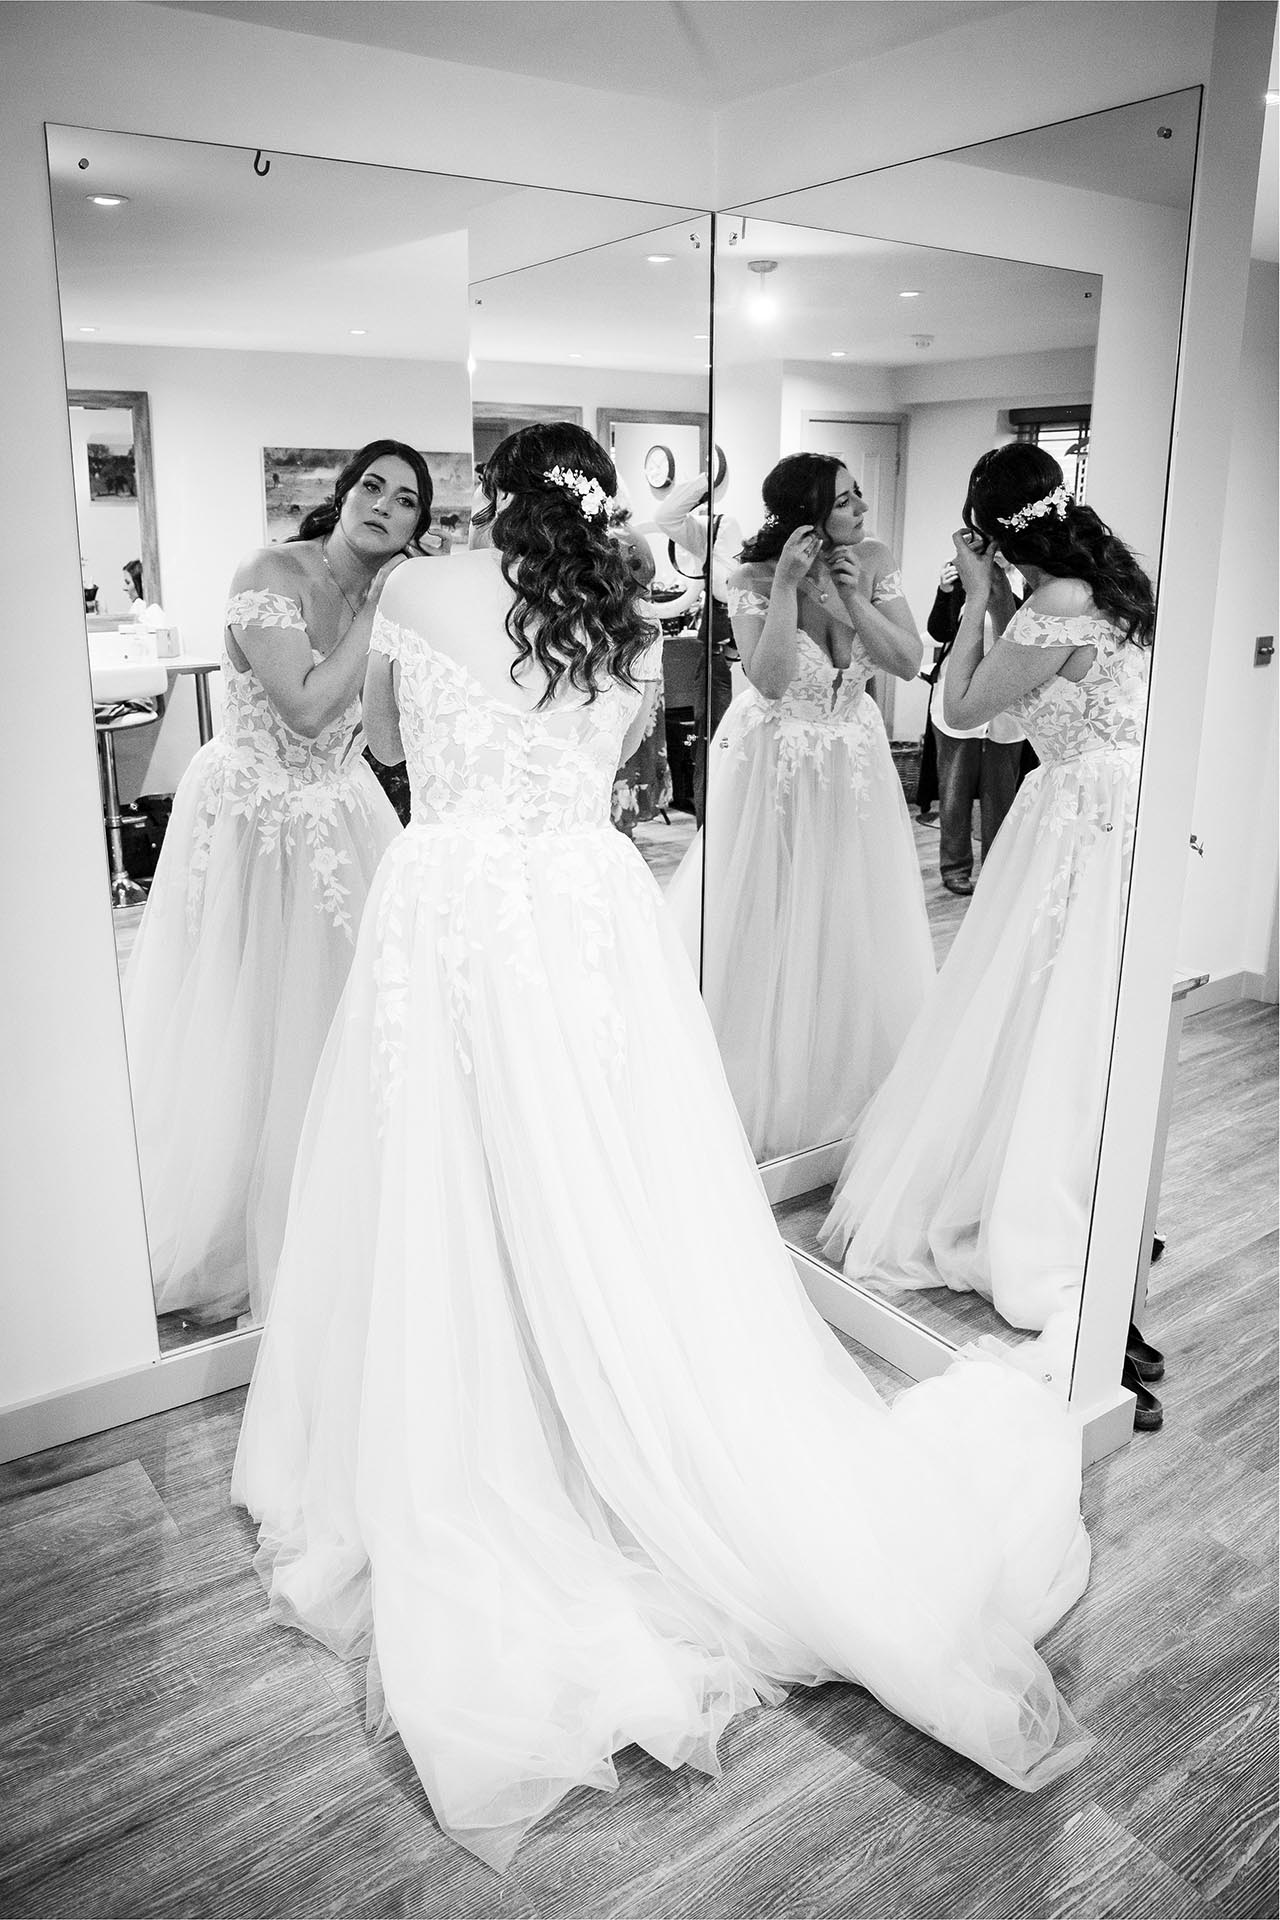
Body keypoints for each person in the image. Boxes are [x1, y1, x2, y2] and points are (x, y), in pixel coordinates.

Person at [233, 423, 1091, 1873]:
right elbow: (618, 756)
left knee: (452, 1182)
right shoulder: (622, 627)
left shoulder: (423, 591)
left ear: (493, 503)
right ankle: (605, 1409)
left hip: (452, 918)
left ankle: (499, 1421)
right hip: (585, 918)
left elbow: (383, 742)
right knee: (603, 1181)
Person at [823, 444, 1154, 1342]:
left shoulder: (1055, 605)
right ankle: (1086, 1186)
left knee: (1039, 1004)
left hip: (1077, 813)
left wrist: (975, 599)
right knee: (1081, 1012)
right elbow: (1018, 709)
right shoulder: (1110, 591)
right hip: (1128, 806)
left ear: (992, 527)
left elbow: (964, 713)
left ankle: (1036, 1201)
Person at [123, 439, 434, 1327]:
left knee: (352, 1014)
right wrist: (383, 613)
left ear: (418, 523)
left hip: (345, 814)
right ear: (344, 495)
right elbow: (301, 706)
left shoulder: (397, 597)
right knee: (247, 1017)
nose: (383, 503)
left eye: (405, 498)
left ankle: (348, 1213)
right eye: (371, 484)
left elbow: (382, 737)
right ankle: (237, 1222)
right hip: (253, 820)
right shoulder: (270, 572)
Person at [665, 453, 934, 1161]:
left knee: (850, 910)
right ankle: (761, 1076)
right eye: (845, 501)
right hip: (778, 757)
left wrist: (856, 603)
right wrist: (785, 586)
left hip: (855, 754)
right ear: (805, 513)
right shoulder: (751, 579)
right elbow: (771, 679)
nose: (862, 509)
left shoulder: (874, 560)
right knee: (772, 909)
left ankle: (845, 1075)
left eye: (857, 495)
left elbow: (907, 662)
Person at [925, 555, 1031, 895]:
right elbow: (939, 631)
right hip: (958, 699)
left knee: (1001, 793)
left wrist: (999, 582)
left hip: (1007, 702)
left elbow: (1025, 634)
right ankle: (954, 868)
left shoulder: (1029, 581)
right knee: (953, 792)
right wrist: (944, 591)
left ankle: (996, 870)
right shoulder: (960, 574)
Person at [652, 467, 740, 822]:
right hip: (719, 647)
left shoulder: (761, 542)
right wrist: (706, 482)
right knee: (715, 742)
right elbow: (665, 516)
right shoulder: (713, 529)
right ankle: (711, 830)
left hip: (753, 644)